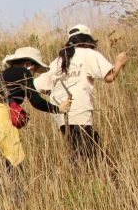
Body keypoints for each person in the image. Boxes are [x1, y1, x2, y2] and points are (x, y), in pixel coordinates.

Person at [0, 46, 69, 210]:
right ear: (29, 64)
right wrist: (58, 108)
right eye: (34, 70)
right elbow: (35, 101)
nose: (33, 74)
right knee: (16, 170)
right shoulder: (23, 72)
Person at [35, 24, 128, 160]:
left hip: (59, 113)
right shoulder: (88, 54)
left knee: (78, 150)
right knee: (92, 155)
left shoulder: (59, 60)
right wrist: (119, 62)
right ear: (88, 39)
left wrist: (54, 94)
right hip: (79, 109)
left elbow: (38, 86)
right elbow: (109, 77)